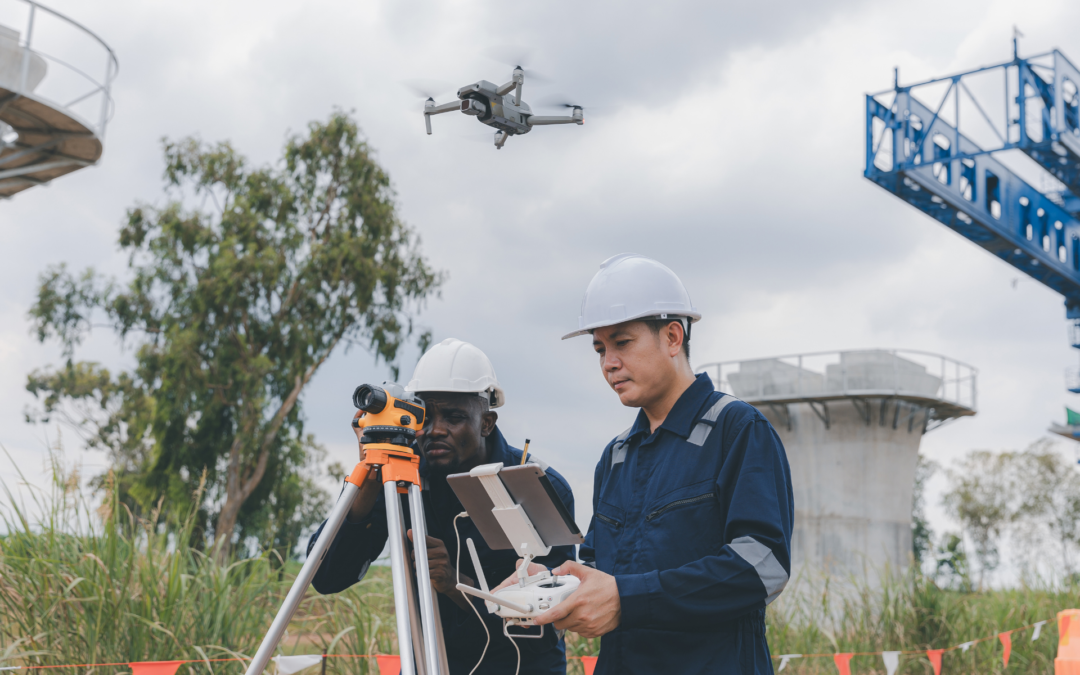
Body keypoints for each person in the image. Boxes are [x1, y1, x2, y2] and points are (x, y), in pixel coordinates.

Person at [534, 253, 794, 674]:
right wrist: (547, 586)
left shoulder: (738, 429)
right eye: (600, 348)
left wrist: (628, 599)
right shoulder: (616, 456)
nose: (608, 363)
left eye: (622, 342)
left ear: (673, 337)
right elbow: (601, 571)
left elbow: (763, 567)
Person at [307, 338, 575, 675]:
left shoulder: (536, 484)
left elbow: (546, 620)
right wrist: (371, 478)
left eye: (453, 417)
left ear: (486, 422)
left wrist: (453, 582)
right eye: (425, 416)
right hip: (431, 661)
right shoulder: (400, 478)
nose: (435, 429)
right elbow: (327, 577)